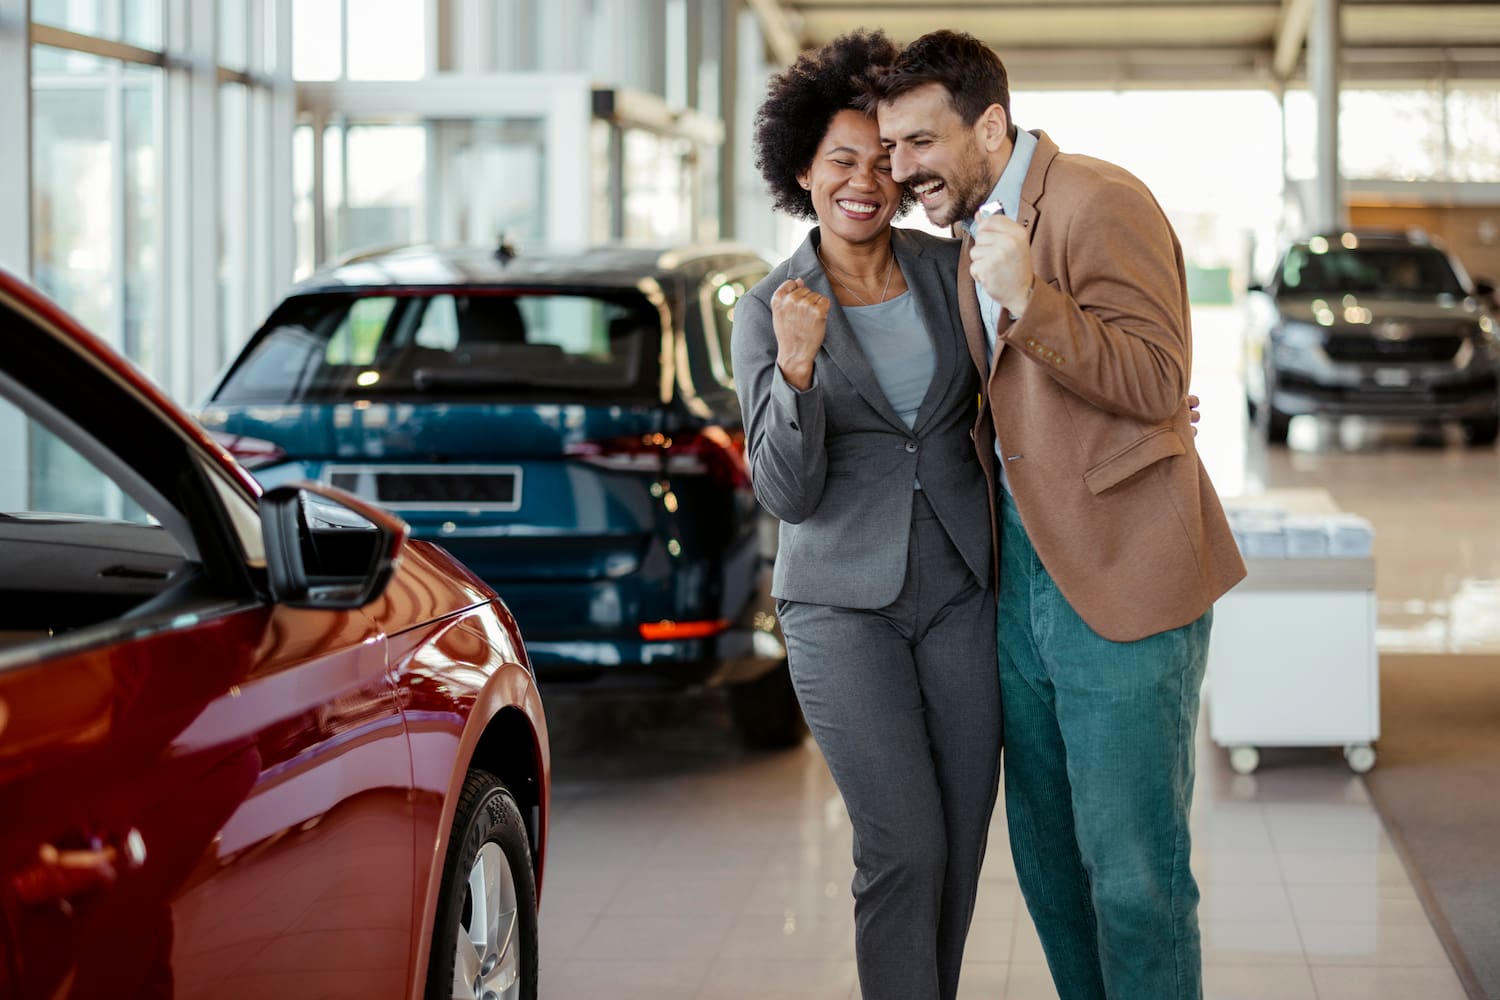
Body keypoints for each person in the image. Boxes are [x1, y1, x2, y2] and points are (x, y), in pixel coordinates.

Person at [868, 31, 1248, 1000]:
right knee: (1051, 867)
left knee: (1132, 874)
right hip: (1021, 588)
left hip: (1121, 579)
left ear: (989, 124)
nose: (900, 168)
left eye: (917, 142)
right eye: (891, 147)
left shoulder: (1095, 199)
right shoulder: (971, 233)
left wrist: (1031, 300)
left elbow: (1160, 376)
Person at [730, 30, 1002, 1000]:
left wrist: (1140, 411)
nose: (865, 180)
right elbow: (785, 492)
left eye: (881, 160)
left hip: (962, 591)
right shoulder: (770, 308)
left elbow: (1015, 396)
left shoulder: (948, 268)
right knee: (902, 843)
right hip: (842, 607)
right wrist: (796, 370)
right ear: (799, 170)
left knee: (961, 837)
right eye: (840, 159)